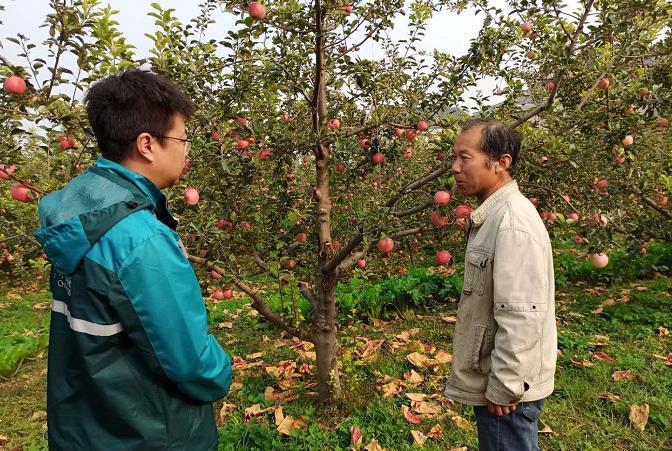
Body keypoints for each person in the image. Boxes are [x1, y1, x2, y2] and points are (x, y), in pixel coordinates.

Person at [34, 69, 232, 451]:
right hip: (149, 434)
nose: (186, 151)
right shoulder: (141, 241)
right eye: (182, 139)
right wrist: (223, 371)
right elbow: (191, 364)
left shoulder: (74, 212)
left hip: (85, 426)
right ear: (147, 145)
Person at [443, 119, 557, 451]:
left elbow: (522, 313)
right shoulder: (495, 215)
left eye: (465, 158)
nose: (455, 168)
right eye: (454, 157)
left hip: (507, 394)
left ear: (500, 162)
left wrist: (505, 385)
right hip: (499, 381)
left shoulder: (512, 223)